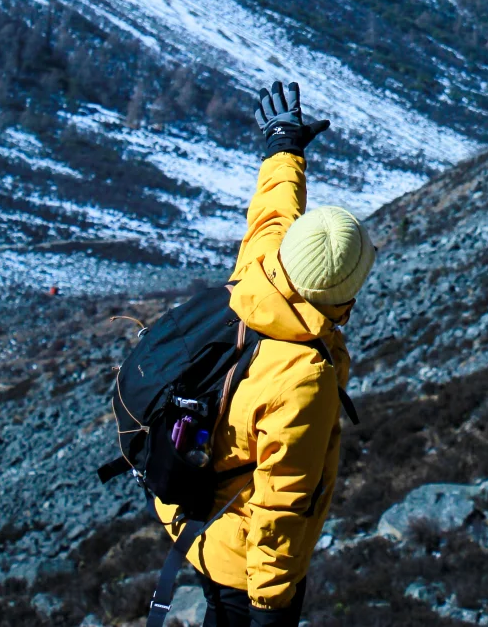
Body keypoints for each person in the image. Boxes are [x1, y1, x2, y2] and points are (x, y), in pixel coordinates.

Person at [156, 81, 376, 627]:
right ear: (344, 293)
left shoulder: (259, 271)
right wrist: (270, 606)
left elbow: (274, 210)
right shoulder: (304, 379)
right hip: (242, 560)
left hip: (189, 509)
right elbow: (281, 505)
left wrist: (285, 146)